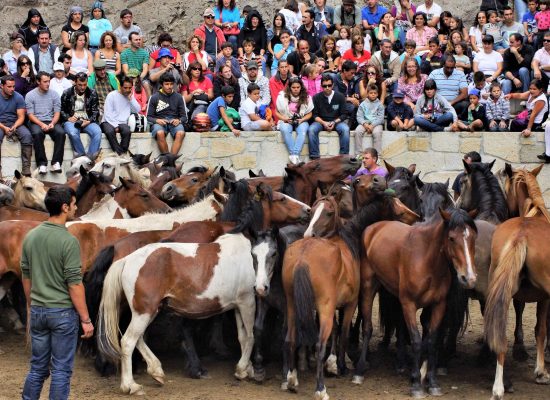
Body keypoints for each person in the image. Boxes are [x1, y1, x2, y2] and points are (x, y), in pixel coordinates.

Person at [21, 185, 94, 400]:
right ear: (64, 207)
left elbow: (26, 276)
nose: (76, 207)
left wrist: (31, 304)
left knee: (37, 369)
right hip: (62, 314)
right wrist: (86, 319)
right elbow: (74, 284)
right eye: (73, 204)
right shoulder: (68, 241)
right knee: (61, 371)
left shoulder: (31, 236)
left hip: (38, 311)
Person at [25, 72, 66, 174]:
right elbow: (30, 115)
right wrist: (41, 124)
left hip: (51, 120)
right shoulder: (30, 95)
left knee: (61, 133)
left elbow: (57, 113)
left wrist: (52, 123)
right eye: (45, 82)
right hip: (36, 121)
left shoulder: (54, 94)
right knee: (37, 134)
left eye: (49, 81)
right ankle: (42, 164)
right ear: (38, 82)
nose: (48, 84)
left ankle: (56, 163)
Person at [308, 74, 350, 159]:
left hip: (336, 121)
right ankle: (314, 157)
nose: (327, 87)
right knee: (311, 129)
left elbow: (344, 114)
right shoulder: (316, 97)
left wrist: (334, 122)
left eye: (329, 85)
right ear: (321, 86)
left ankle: (343, 157)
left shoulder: (340, 96)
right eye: (324, 86)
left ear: (333, 85)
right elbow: (314, 115)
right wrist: (324, 123)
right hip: (320, 122)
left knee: (345, 129)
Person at [60, 73, 102, 158]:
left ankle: (91, 158)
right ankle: (83, 157)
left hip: (88, 120)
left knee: (98, 132)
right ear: (75, 82)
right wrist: (68, 118)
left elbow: (95, 111)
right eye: (80, 85)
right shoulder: (67, 93)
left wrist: (89, 121)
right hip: (72, 120)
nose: (82, 87)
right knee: (73, 133)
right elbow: (61, 110)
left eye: (84, 85)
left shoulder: (92, 93)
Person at [0, 75, 34, 176]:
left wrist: (14, 126)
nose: (12, 89)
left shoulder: (18, 97)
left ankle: (26, 168)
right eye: (9, 87)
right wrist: (4, 128)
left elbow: (21, 117)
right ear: (2, 86)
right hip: (1, 123)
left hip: (15, 122)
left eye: (13, 86)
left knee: (27, 135)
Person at [276, 77, 314, 164]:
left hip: (301, 120)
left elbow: (310, 113)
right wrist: (284, 118)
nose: (296, 89)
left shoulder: (307, 97)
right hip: (286, 119)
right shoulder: (282, 96)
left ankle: (294, 154)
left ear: (301, 87)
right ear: (289, 87)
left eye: (298, 87)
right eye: (293, 87)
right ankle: (295, 156)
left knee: (303, 130)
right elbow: (276, 112)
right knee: (285, 129)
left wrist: (302, 120)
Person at [147, 73, 186, 155]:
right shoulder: (154, 97)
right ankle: (168, 159)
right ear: (161, 84)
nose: (169, 86)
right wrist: (157, 120)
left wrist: (178, 120)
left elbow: (184, 117)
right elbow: (149, 117)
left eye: (171, 84)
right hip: (159, 122)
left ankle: (170, 160)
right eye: (166, 84)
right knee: (159, 133)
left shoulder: (178, 97)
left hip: (174, 121)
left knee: (181, 133)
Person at [101, 75, 140, 155]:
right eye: (125, 88)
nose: (128, 90)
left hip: (122, 122)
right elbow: (108, 114)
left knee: (127, 131)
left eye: (130, 88)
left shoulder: (130, 97)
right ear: (120, 86)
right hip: (107, 121)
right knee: (110, 131)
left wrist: (131, 99)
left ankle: (121, 154)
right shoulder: (112, 95)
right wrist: (115, 126)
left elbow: (137, 110)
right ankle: (121, 155)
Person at [355, 83, 384, 153]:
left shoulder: (380, 104)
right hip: (365, 123)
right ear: (367, 94)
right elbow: (359, 117)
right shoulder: (363, 104)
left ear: (377, 94)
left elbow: (380, 118)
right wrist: (365, 124)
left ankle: (377, 156)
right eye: (371, 93)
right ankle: (358, 154)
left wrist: (372, 125)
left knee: (377, 133)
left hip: (376, 124)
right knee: (358, 131)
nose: (373, 94)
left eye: (375, 93)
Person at [334, 60, 361, 126]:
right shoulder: (335, 79)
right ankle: (350, 125)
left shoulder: (352, 79)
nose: (353, 75)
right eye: (351, 73)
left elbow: (353, 93)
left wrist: (354, 95)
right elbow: (336, 96)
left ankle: (353, 124)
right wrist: (350, 99)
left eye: (354, 73)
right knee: (354, 107)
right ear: (345, 71)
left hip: (349, 103)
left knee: (362, 104)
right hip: (338, 104)